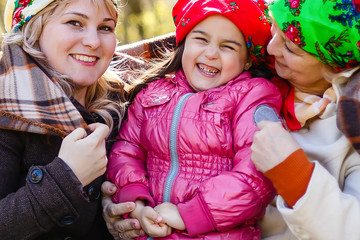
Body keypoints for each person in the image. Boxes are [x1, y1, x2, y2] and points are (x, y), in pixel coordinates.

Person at [105, 0, 282, 239]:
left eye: (228, 46)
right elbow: (126, 150)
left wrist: (188, 214)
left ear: (248, 59)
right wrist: (135, 201)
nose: (210, 53)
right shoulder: (154, 93)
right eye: (200, 39)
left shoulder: (252, 96)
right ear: (184, 42)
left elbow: (255, 175)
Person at [0, 0, 126, 239]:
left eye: (105, 27)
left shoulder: (126, 101)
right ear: (34, 30)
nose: (93, 41)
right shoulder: (6, 108)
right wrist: (67, 177)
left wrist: (130, 209)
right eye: (74, 23)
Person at [250, 0, 360, 239]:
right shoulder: (247, 65)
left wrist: (295, 176)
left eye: (290, 47)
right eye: (273, 26)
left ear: (333, 66)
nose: (270, 48)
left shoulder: (354, 123)